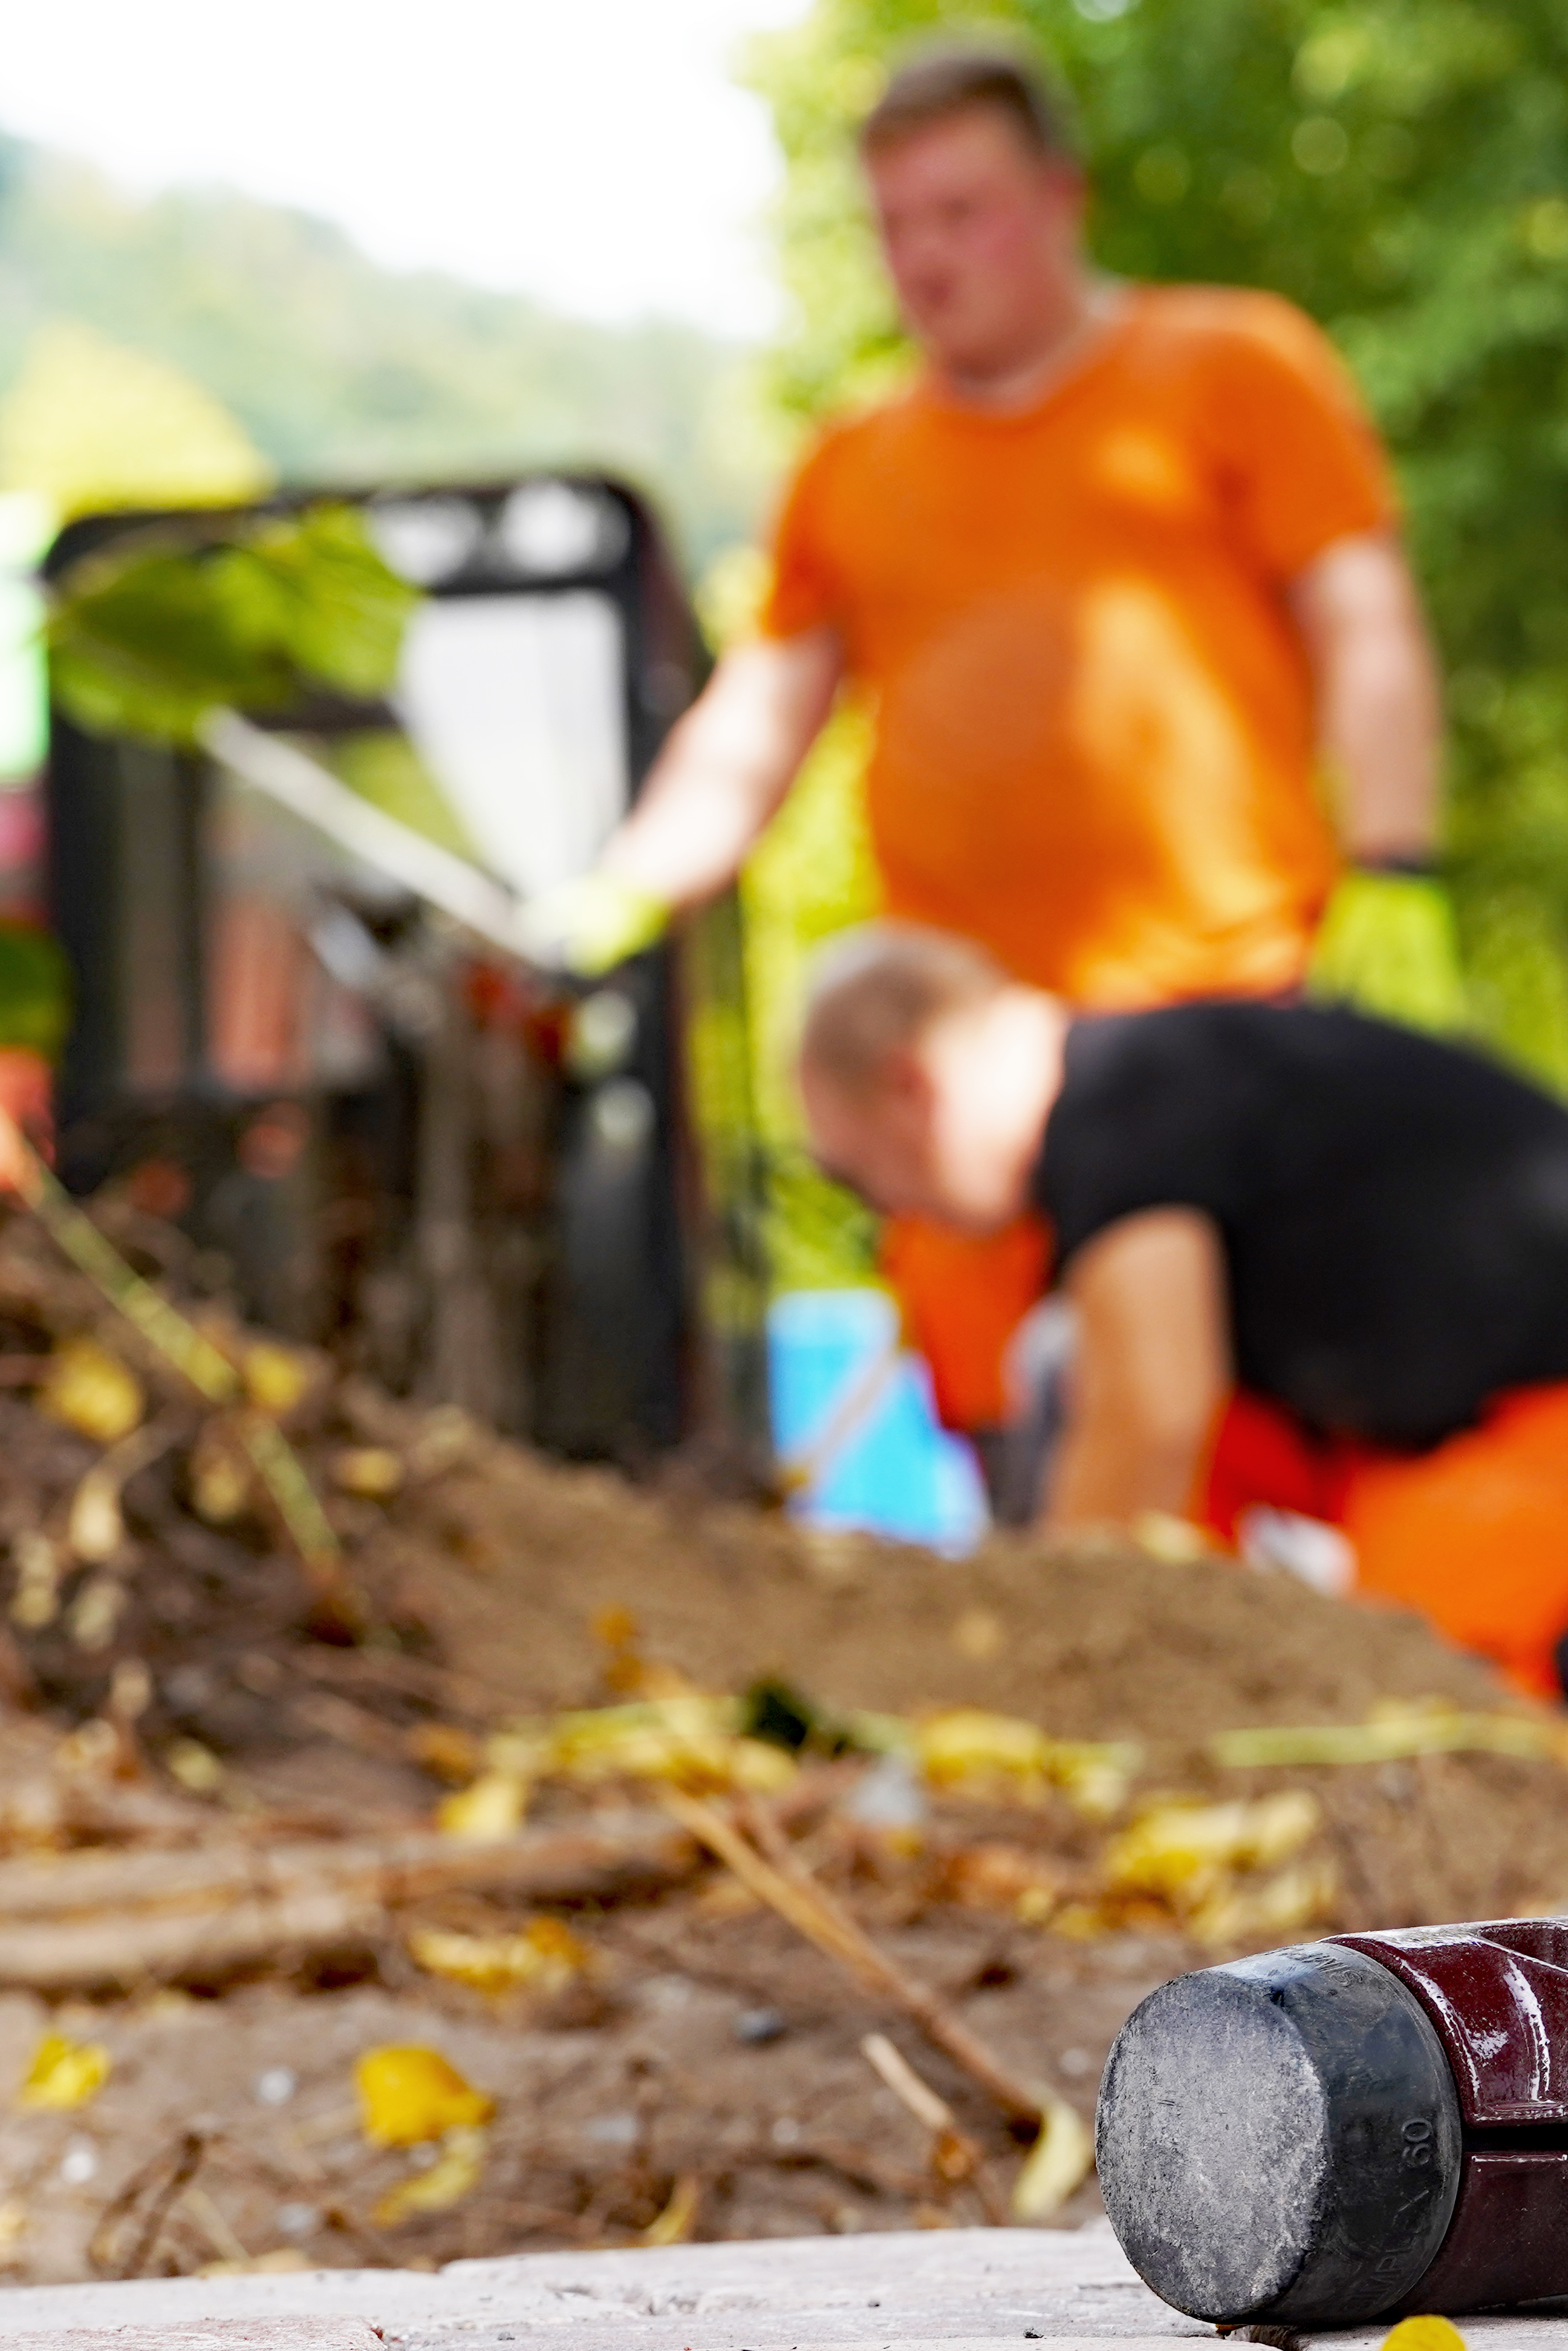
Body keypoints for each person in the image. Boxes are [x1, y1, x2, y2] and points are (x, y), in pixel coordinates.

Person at [536, 36, 1448, 1449]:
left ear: (1060, 198)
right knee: (1030, 1459)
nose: (924, 256)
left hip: (1215, 1021)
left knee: (1235, 1430)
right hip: (961, 1093)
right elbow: (764, 713)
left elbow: (1364, 616)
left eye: (960, 213)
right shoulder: (855, 465)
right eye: (896, 225)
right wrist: (628, 885)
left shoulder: (1230, 367)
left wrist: (1397, 857)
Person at [794, 921, 1568, 1809]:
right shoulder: (1160, 1091)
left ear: (910, 1085)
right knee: (1076, 1371)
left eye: (859, 1177)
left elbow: (1153, 1412)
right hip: (1461, 1443)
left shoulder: (1120, 1102)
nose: (892, 1212)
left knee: (1419, 1734)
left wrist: (1037, 1691)